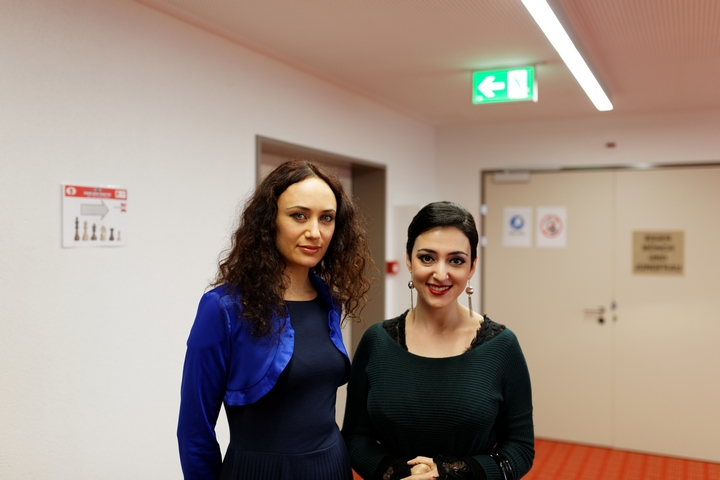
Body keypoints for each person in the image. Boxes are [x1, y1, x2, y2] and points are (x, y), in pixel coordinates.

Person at [178, 159, 373, 480]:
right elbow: (194, 429)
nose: (315, 232)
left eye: (326, 218)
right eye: (299, 215)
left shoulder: (329, 300)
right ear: (269, 221)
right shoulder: (224, 308)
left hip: (331, 466)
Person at [342, 201, 534, 480]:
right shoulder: (376, 341)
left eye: (456, 260)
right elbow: (355, 438)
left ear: (472, 267)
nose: (440, 274)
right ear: (409, 259)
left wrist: (448, 473)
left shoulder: (502, 346)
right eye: (427, 258)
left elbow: (520, 448)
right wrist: (403, 474)